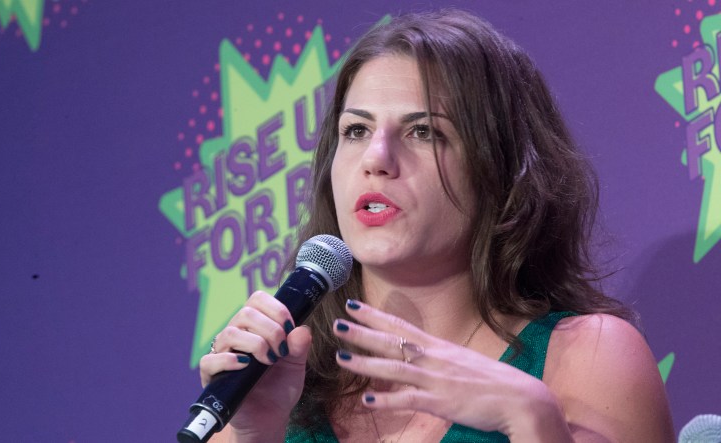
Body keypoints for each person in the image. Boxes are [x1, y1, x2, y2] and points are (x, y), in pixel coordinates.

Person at [200, 9, 674, 442]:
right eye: (356, 131)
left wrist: (533, 421)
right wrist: (256, 433)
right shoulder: (272, 380)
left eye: (423, 131)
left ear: (500, 171)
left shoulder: (587, 358)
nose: (376, 159)